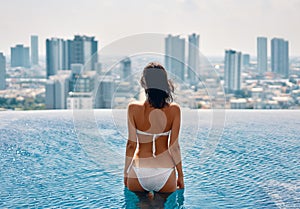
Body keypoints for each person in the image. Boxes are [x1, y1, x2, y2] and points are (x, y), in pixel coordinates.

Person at [124, 62, 184, 196]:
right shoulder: (174, 110)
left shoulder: (133, 108)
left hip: (139, 171)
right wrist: (180, 175)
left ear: (144, 84)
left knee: (142, 204)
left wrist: (126, 171)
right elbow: (174, 148)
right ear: (165, 83)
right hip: (165, 172)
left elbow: (131, 145)